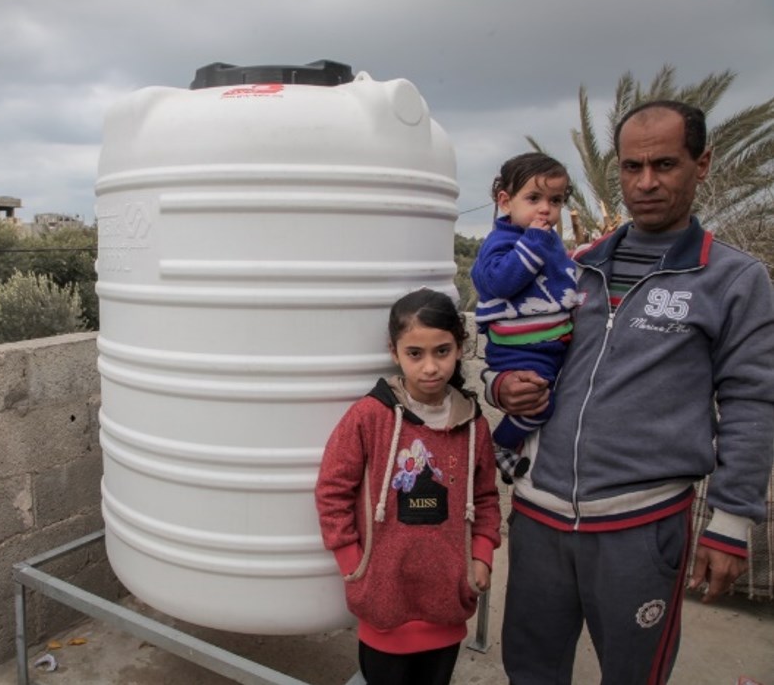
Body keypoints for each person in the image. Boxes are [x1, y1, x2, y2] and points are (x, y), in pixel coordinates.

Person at [486, 100, 774, 684]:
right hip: (540, 516)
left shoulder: (733, 279)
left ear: (703, 162)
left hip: (639, 527)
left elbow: (753, 399)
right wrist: (499, 387)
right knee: (530, 671)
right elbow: (517, 340)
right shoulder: (575, 266)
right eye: (631, 167)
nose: (645, 183)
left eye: (664, 164)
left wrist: (733, 520)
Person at [315, 287, 501, 685]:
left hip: (447, 605)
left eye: (442, 351)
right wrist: (355, 565)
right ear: (394, 351)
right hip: (384, 606)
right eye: (415, 353)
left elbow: (485, 496)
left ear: (460, 347)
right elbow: (332, 490)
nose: (430, 367)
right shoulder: (369, 417)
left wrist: (481, 555)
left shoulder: (473, 424)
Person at [470, 152, 578, 484]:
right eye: (534, 198)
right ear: (506, 201)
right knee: (539, 404)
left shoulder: (548, 242)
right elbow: (499, 281)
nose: (546, 209)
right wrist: (532, 243)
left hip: (545, 345)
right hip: (520, 350)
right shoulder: (503, 242)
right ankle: (500, 446)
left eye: (555, 200)